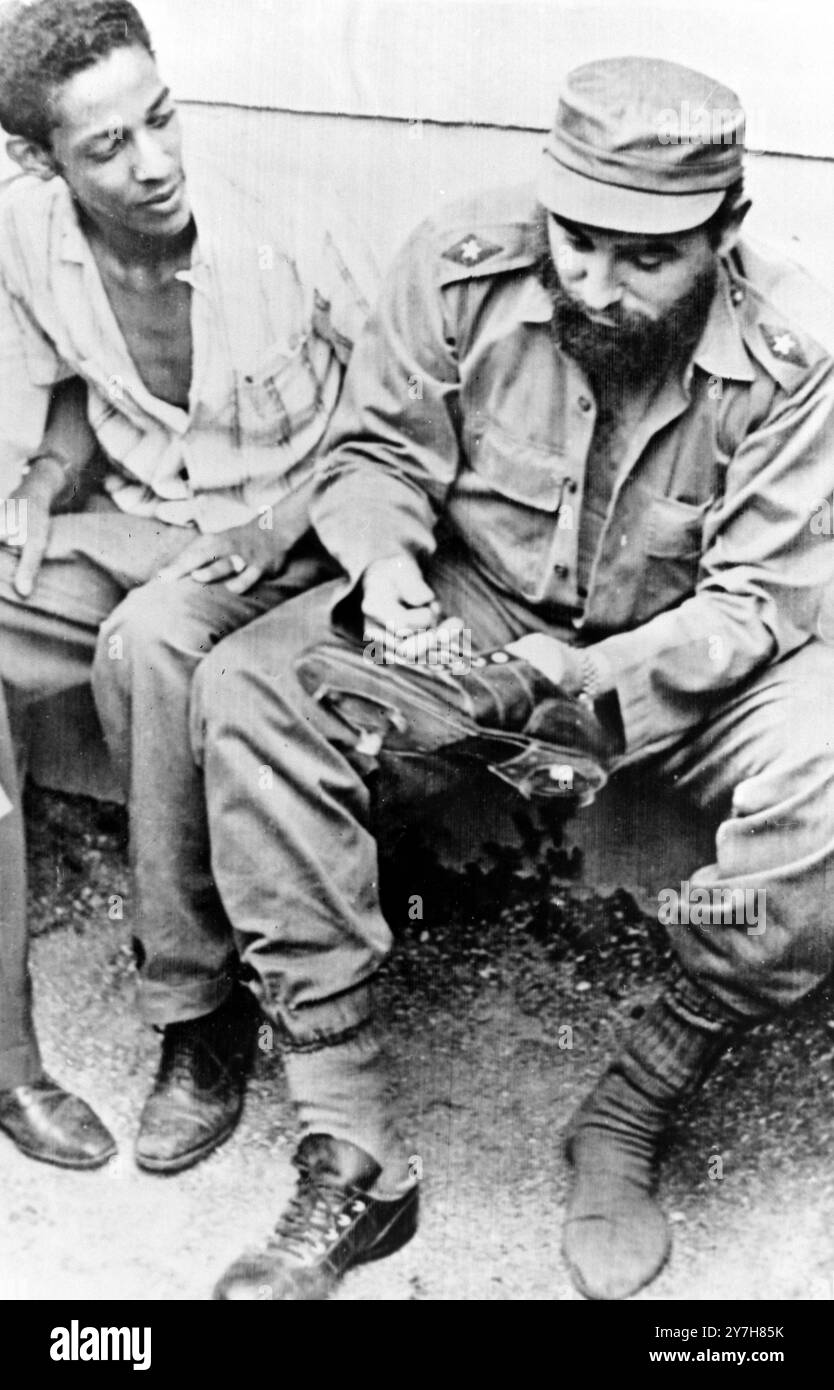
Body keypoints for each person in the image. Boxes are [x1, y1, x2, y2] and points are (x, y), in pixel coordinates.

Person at [189, 55, 834, 1301]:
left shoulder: (799, 351)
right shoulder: (462, 258)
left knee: (831, 785)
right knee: (253, 691)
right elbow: (378, 451)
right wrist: (384, 572)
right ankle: (354, 1140)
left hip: (672, 666)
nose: (598, 282)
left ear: (728, 230)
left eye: (647, 256)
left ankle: (638, 1097)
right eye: (577, 240)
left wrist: (580, 672)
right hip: (470, 619)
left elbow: (753, 605)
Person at [0, 0, 375, 1174]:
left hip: (305, 547)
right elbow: (50, 385)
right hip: (150, 528)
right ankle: (7, 1055)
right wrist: (49, 475)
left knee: (157, 642)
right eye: (107, 148)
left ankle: (195, 1014)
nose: (155, 164)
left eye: (160, 119)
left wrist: (276, 526)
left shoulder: (285, 214)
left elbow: (400, 423)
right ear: (42, 160)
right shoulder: (23, 234)